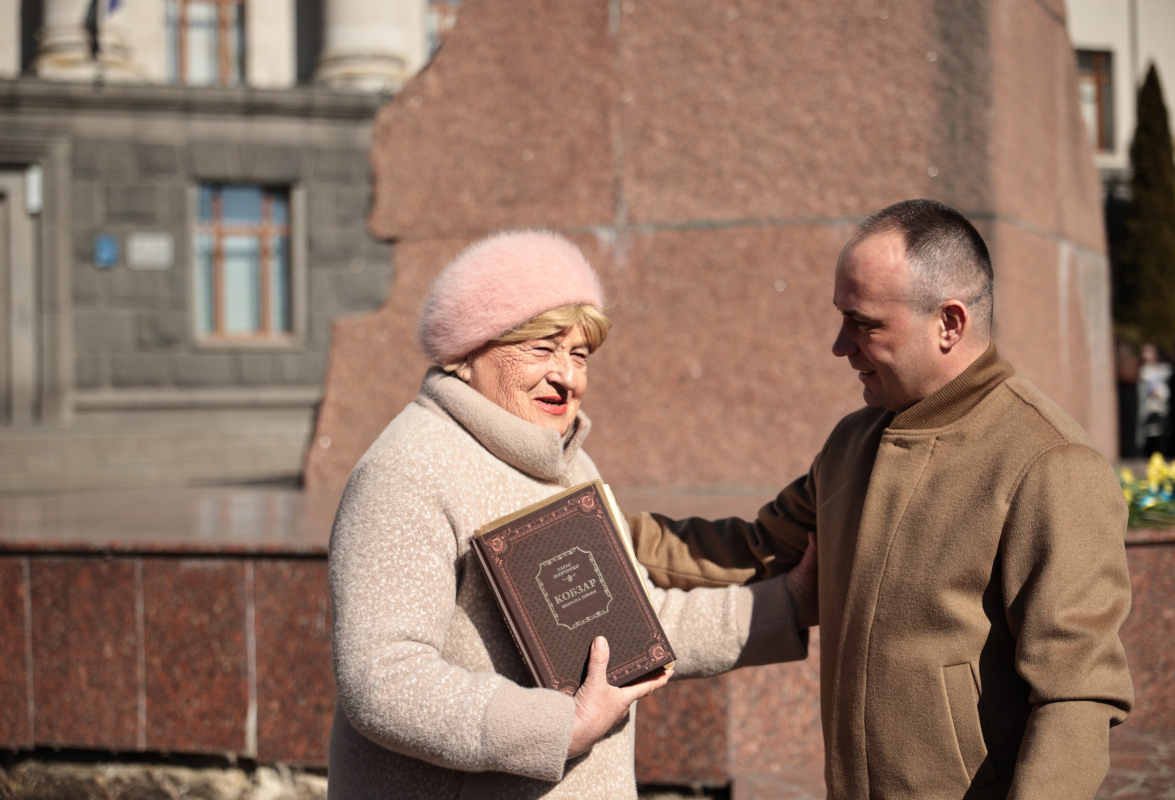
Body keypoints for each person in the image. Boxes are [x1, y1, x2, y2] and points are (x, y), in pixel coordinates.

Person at [630, 199, 1134, 799]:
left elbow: (1076, 695)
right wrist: (587, 524)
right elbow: (752, 550)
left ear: (949, 324)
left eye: (864, 323)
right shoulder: (853, 441)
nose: (840, 345)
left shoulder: (1050, 463)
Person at [327, 229, 816, 800]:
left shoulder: (567, 462)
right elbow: (385, 678)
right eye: (542, 348)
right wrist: (559, 728)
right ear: (466, 352)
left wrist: (791, 603)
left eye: (579, 354)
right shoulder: (406, 471)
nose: (568, 376)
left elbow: (637, 623)